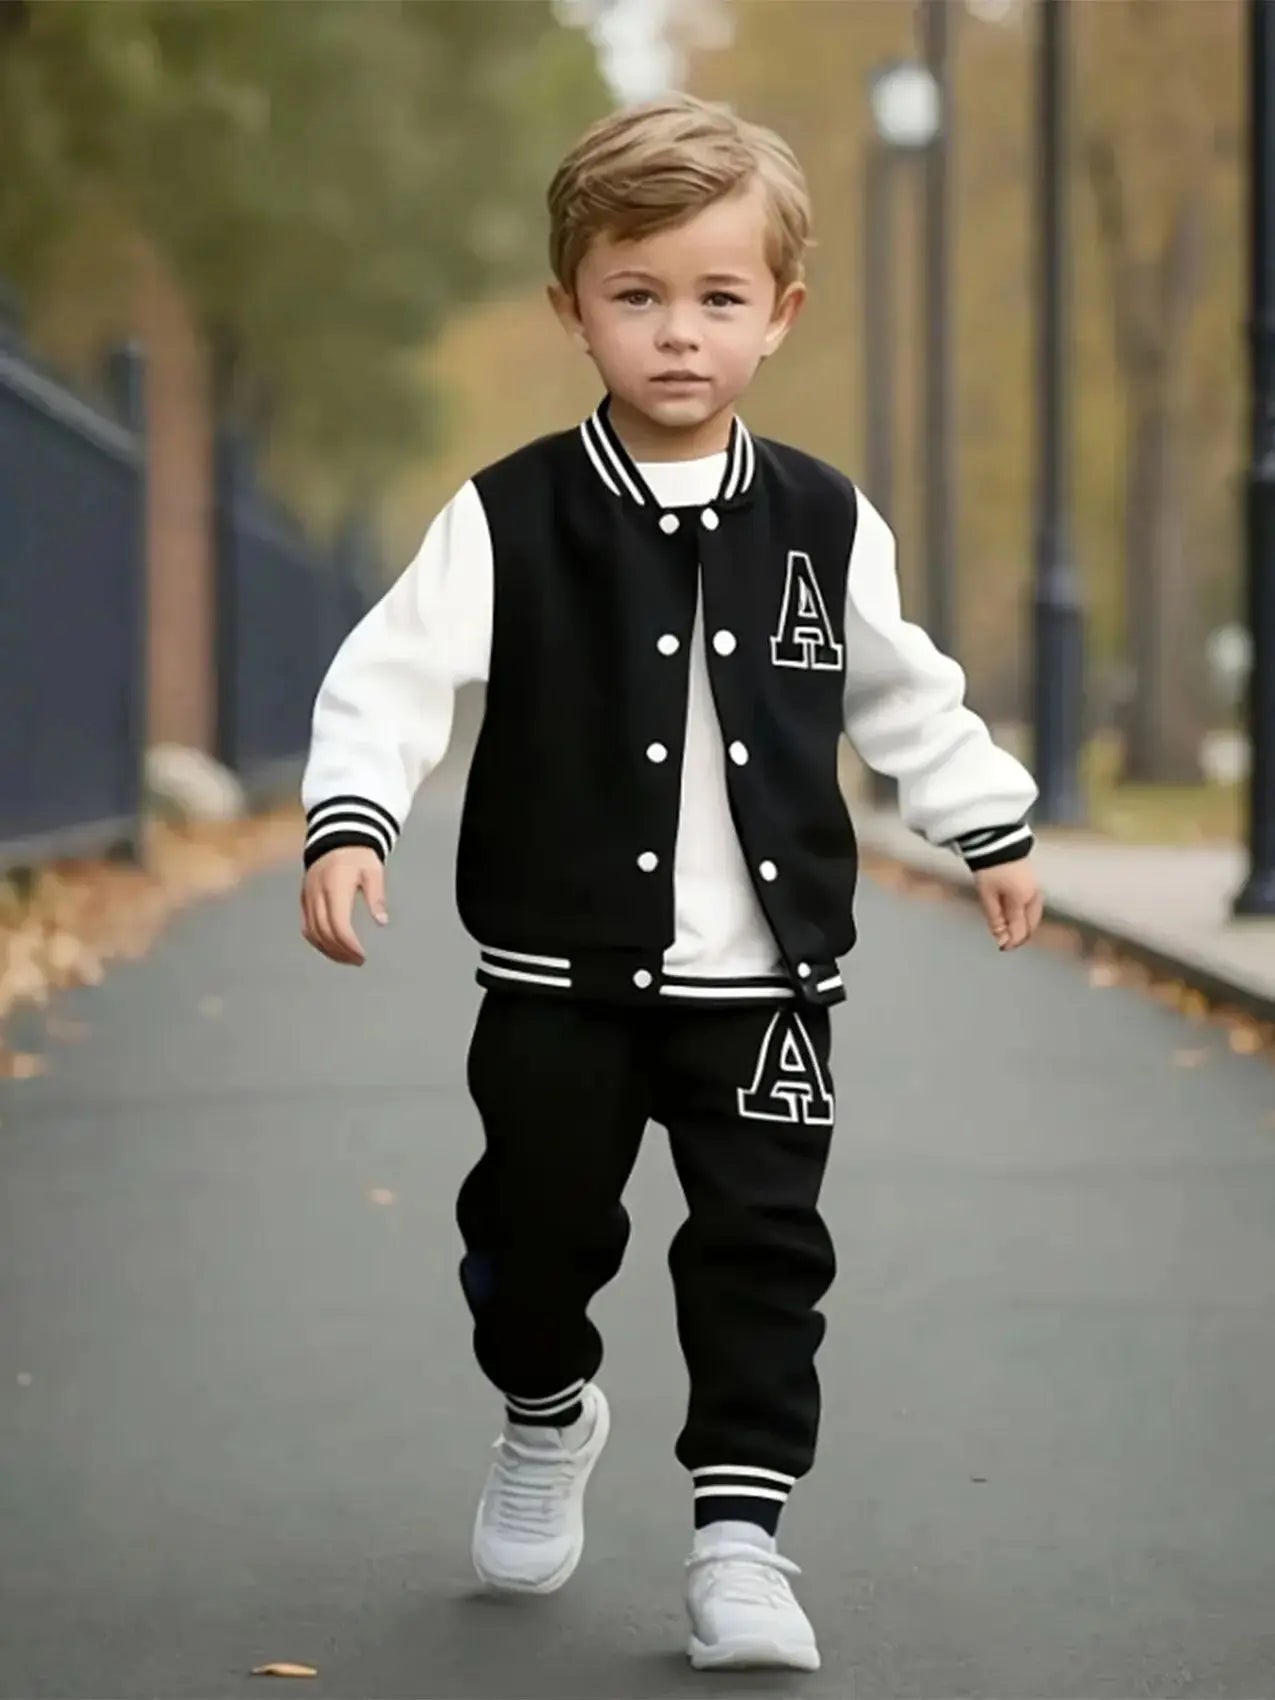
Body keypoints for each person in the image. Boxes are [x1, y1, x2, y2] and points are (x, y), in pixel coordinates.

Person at [299, 92, 1043, 1673]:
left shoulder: (824, 521)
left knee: (765, 1254)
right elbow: (390, 679)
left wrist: (987, 817)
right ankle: (545, 1405)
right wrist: (355, 818)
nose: (679, 336)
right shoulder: (508, 517)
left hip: (766, 990)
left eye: (717, 299)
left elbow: (904, 687)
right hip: (556, 982)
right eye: (636, 297)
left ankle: (741, 1547)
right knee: (536, 1236)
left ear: (780, 314)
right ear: (571, 309)